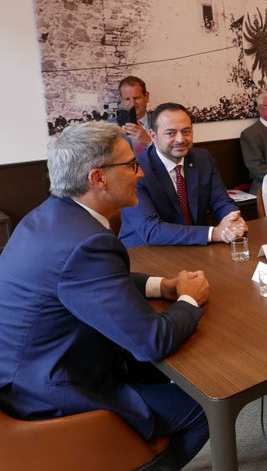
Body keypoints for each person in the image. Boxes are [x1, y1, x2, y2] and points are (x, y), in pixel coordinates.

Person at [0, 122, 210, 469]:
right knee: (205, 409)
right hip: (50, 390)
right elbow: (152, 342)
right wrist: (189, 298)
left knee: (159, 374)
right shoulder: (86, 242)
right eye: (132, 165)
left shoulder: (48, 216)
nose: (141, 173)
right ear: (98, 178)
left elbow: (91, 282)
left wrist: (162, 286)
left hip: (23, 372)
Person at [119, 103, 247, 247]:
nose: (180, 139)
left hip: (193, 247)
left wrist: (233, 220)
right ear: (153, 136)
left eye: (186, 132)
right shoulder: (134, 170)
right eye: (170, 133)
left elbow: (221, 201)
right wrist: (213, 233)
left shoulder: (202, 159)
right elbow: (151, 230)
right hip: (145, 251)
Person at [112, 75, 154, 155]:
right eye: (127, 99)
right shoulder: (109, 127)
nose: (132, 104)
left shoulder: (161, 124)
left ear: (146, 97)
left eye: (136, 98)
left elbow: (170, 156)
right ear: (121, 100)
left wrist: (148, 141)